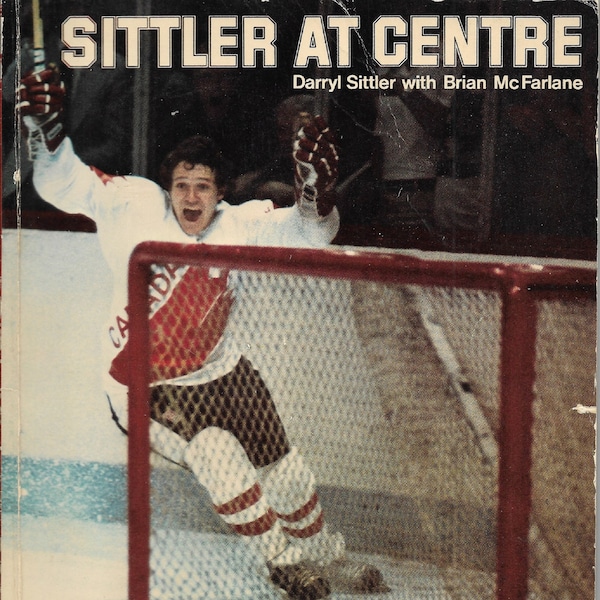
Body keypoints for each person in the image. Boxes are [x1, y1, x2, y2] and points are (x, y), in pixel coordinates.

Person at [18, 65, 387, 599]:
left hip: (224, 372)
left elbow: (311, 234)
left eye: (203, 187)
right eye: (182, 186)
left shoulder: (239, 223)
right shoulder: (133, 204)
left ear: (221, 192)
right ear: (167, 188)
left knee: (284, 467)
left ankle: (331, 557)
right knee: (217, 453)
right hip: (146, 385)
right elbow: (62, 182)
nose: (191, 198)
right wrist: (47, 135)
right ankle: (282, 563)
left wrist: (315, 191)